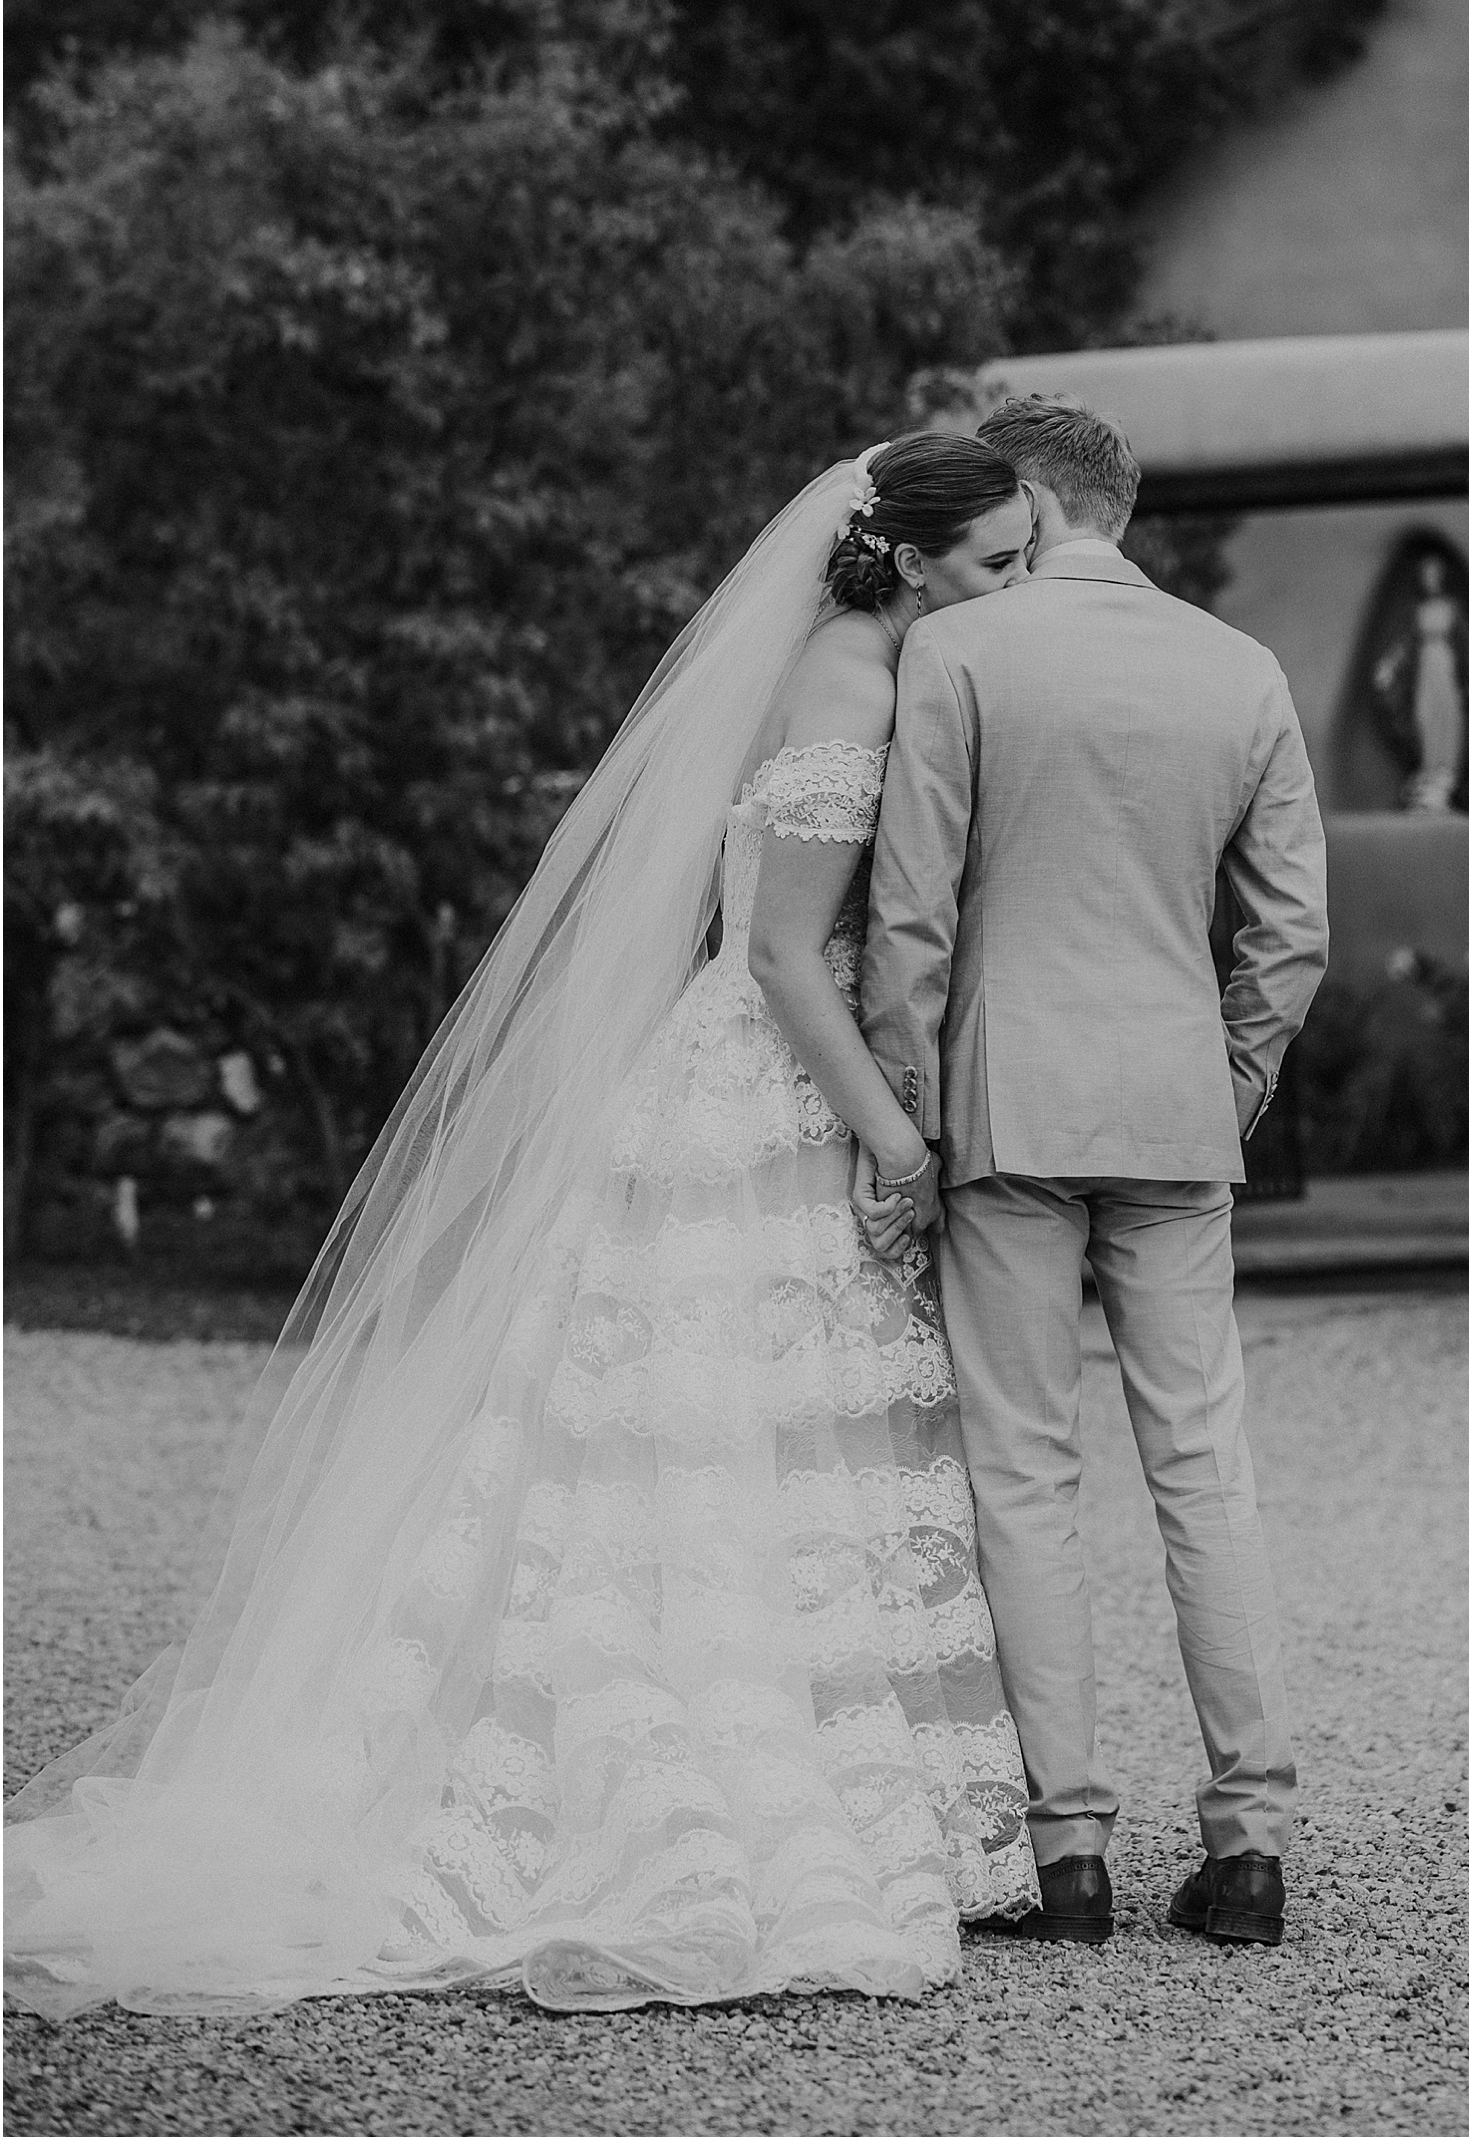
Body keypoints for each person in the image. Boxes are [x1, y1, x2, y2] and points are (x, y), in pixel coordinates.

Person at [6, 435, 1042, 2022]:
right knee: (712, 1435)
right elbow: (777, 950)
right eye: (995, 564)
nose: (1013, 592)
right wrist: (895, 1128)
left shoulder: (857, 657)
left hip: (756, 1072)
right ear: (907, 562)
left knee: (733, 1434)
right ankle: (681, 1776)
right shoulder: (852, 683)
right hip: (768, 1092)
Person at [862, 396, 1329, 1952]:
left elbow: (911, 919)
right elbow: (1289, 934)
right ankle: (1249, 1846)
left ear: (1034, 508)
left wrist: (908, 1118)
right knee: (1207, 1464)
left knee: (1023, 1469)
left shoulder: (960, 654)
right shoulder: (1241, 666)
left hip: (1004, 1115)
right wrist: (1229, 1083)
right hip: (1177, 1112)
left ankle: (1064, 1859)